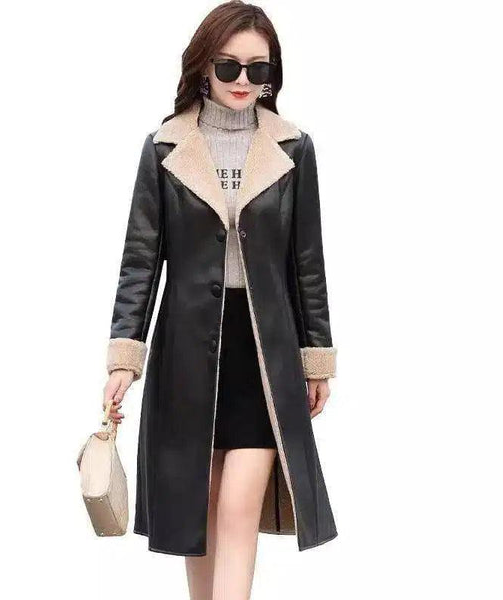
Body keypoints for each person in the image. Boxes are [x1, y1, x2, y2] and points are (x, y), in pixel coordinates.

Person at [102, 1, 338, 598]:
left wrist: (316, 359)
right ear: (203, 66)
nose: (242, 80)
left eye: (259, 69)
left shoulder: (294, 148)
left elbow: (307, 263)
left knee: (237, 510)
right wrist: (124, 359)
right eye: (229, 65)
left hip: (264, 354)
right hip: (187, 353)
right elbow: (140, 261)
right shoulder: (164, 147)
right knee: (200, 513)